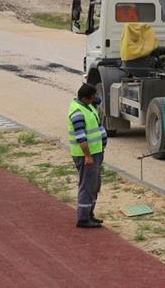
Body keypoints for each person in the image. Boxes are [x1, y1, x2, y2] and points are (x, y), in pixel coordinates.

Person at [67, 83, 108, 228]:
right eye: (93, 96)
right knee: (87, 185)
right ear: (85, 98)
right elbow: (81, 138)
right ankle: (83, 218)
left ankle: (89, 213)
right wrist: (88, 156)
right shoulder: (78, 113)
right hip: (86, 155)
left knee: (94, 185)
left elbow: (98, 101)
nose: (95, 98)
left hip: (95, 152)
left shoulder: (87, 105)